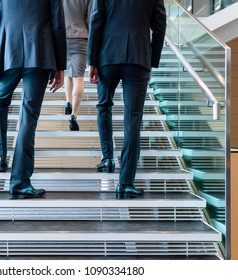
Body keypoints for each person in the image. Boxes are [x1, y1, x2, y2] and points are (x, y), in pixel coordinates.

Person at [0, 0, 66, 198]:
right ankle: (20, 182)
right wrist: (60, 65)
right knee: (28, 117)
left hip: (8, 52)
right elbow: (57, 25)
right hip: (40, 53)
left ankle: (1, 156)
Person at [88, 0, 166, 198]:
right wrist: (151, 62)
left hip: (107, 56)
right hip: (138, 58)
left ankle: (107, 158)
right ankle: (125, 182)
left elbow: (96, 21)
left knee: (103, 106)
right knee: (132, 119)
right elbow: (159, 25)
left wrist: (93, 61)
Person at [62, 0, 93, 131]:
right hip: (81, 37)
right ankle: (74, 114)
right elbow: (91, 18)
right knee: (78, 77)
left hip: (62, 37)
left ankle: (68, 102)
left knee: (67, 73)